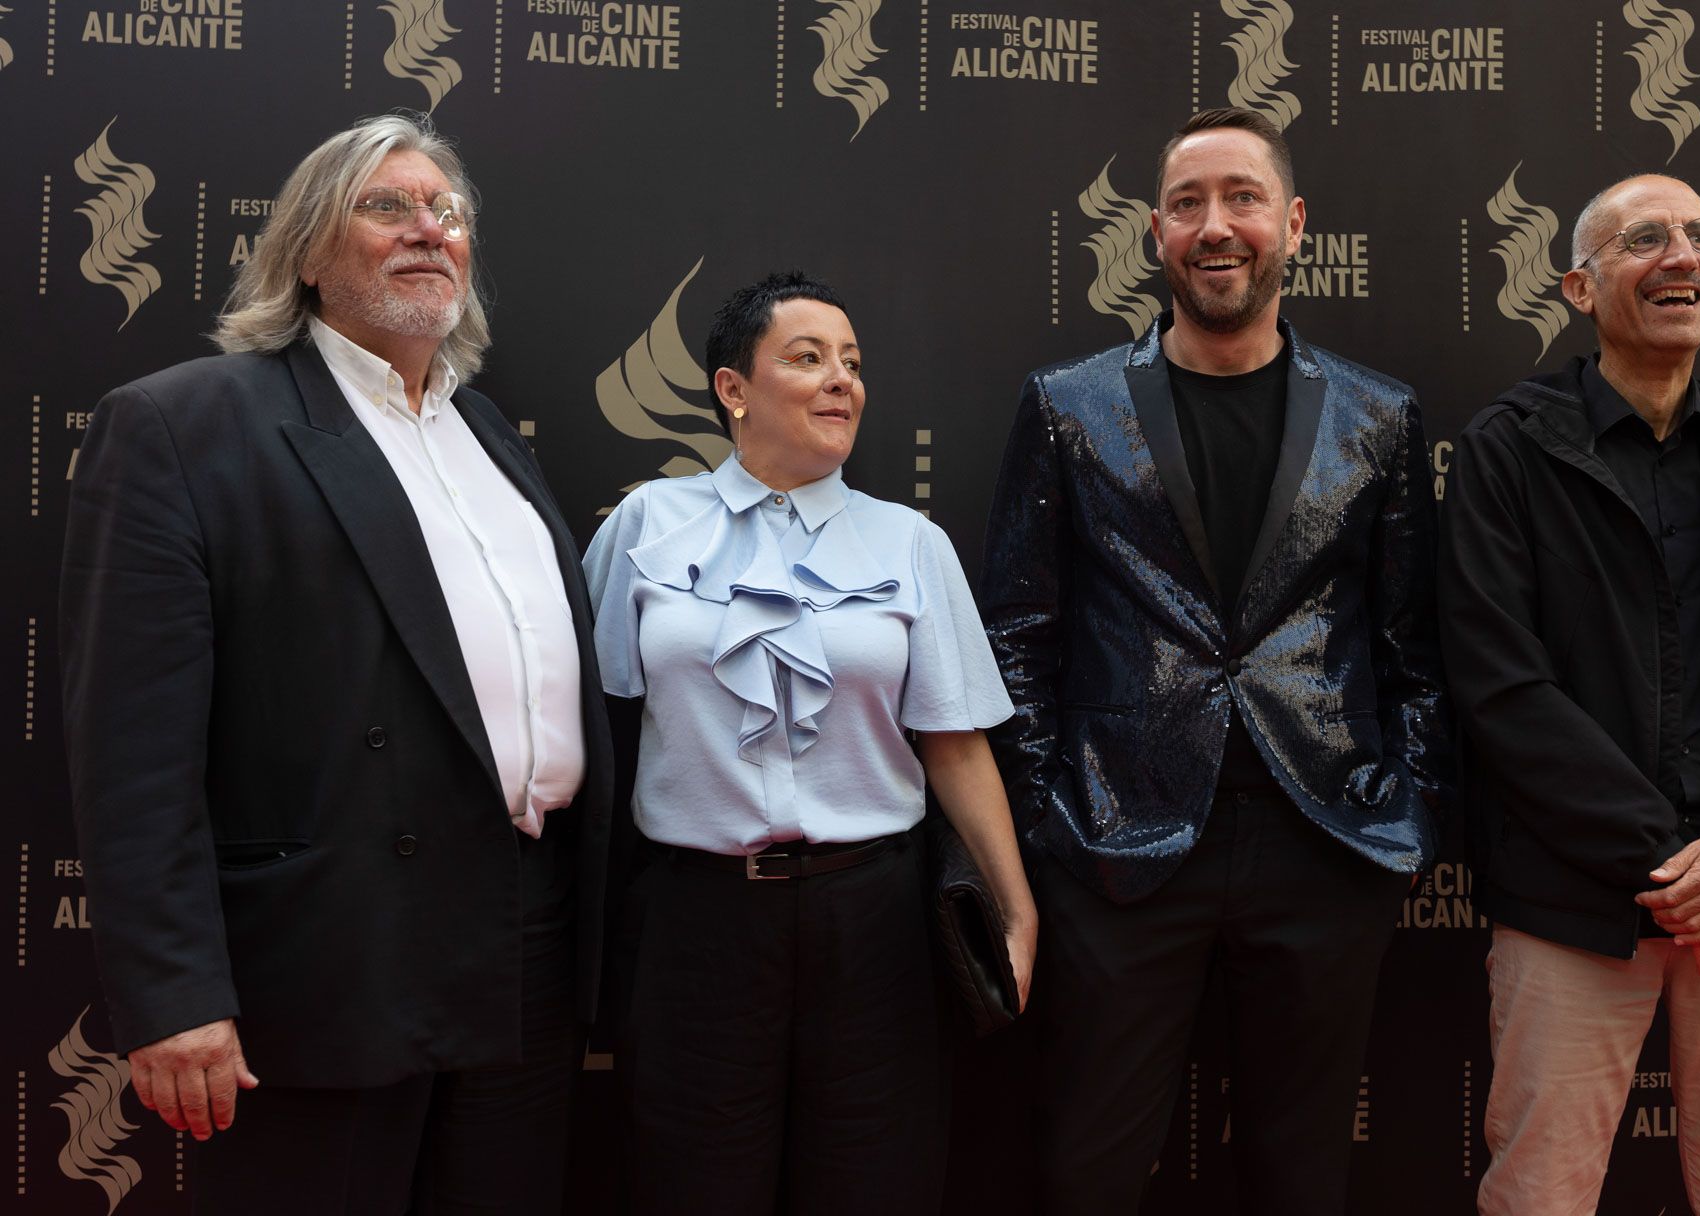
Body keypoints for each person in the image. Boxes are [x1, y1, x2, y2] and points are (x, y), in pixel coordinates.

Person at [60, 113, 614, 1215]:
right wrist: (174, 996)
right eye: (388, 206)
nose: (429, 229)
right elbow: (132, 753)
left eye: (447, 212)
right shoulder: (183, 426)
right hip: (332, 961)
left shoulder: (488, 433)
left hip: (524, 946)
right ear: (308, 252)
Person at [981, 107, 1452, 1214]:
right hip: (1119, 851)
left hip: (1325, 842)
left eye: (1241, 197)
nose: (1216, 225)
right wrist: (1053, 818)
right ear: (1155, 233)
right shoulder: (1068, 406)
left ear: (1291, 224)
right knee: (1087, 1167)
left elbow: (1413, 645)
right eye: (1188, 203)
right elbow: (1016, 633)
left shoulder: (1380, 416)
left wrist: (1407, 821)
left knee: (1301, 1175)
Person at [1439, 173, 1700, 1215]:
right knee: (1540, 1194)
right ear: (1581, 289)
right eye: (1646, 238)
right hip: (1577, 906)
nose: (1684, 254)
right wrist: (1675, 870)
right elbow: (1502, 688)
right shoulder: (1507, 452)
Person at [583, 269, 1037, 1214]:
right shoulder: (643, 528)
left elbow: (954, 746)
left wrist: (1016, 909)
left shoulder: (911, 543)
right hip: (695, 928)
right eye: (807, 357)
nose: (841, 380)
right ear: (732, 389)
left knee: (876, 1184)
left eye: (853, 363)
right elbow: (592, 723)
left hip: (875, 925)